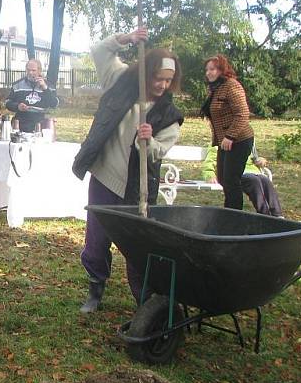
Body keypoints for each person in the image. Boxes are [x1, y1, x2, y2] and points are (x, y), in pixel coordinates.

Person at [72, 27, 184, 313]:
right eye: (158, 78)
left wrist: (149, 142)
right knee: (96, 237)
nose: (162, 85)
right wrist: (125, 39)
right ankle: (95, 289)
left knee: (138, 246)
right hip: (105, 175)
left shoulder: (168, 114)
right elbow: (99, 51)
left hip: (137, 185)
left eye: (168, 80)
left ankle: (144, 300)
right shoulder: (120, 79)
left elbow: (163, 148)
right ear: (147, 72)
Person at [201, 54, 254, 210]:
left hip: (240, 140)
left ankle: (233, 216)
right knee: (223, 179)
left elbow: (243, 113)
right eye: (207, 70)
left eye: (213, 69)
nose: (208, 73)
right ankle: (230, 212)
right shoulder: (214, 89)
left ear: (222, 70)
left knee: (231, 180)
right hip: (224, 142)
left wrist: (230, 136)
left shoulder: (232, 85)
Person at [201, 145, 283, 217]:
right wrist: (209, 175)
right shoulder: (218, 142)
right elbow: (209, 162)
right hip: (234, 174)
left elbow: (253, 158)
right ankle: (266, 215)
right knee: (254, 181)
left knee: (265, 180)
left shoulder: (244, 141)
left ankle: (277, 215)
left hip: (253, 171)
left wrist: (260, 160)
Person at [5, 59, 60, 133]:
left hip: (41, 123)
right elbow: (7, 103)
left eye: (33, 70)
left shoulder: (49, 86)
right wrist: (17, 106)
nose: (30, 73)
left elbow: (54, 104)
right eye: (28, 70)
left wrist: (45, 88)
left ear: (39, 71)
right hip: (21, 122)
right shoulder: (17, 85)